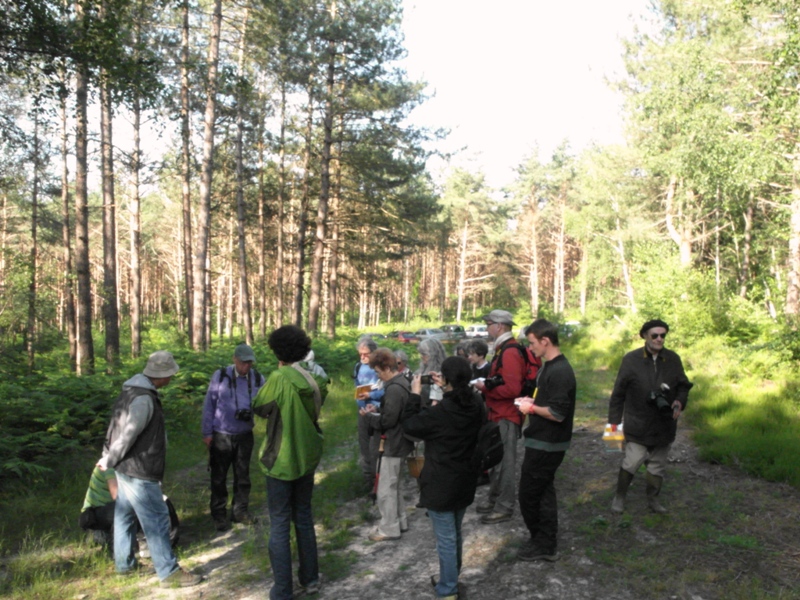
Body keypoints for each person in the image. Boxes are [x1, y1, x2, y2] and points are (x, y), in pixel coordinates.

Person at [98, 351, 202, 588]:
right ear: (161, 375)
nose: (172, 378)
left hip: (127, 467)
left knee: (124, 515)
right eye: (170, 374)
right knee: (156, 519)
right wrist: (109, 458)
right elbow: (126, 434)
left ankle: (124, 565)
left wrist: (109, 456)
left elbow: (114, 426)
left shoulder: (130, 391)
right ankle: (169, 572)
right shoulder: (143, 398)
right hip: (139, 469)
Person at [252, 325, 328, 600]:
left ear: (278, 352)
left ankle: (283, 590)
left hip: (280, 461)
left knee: (280, 524)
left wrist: (280, 371)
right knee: (304, 519)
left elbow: (260, 406)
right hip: (306, 458)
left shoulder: (279, 377)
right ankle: (310, 580)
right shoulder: (315, 377)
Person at [402, 356, 483, 600]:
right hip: (466, 477)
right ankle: (451, 579)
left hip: (441, 481)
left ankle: (448, 589)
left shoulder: (443, 412)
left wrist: (415, 396)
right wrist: (446, 388)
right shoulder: (476, 402)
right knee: (455, 532)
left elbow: (411, 426)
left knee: (446, 538)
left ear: (446, 379)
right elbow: (459, 401)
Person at [608, 319, 693, 514]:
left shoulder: (673, 359)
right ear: (645, 336)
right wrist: (613, 426)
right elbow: (618, 394)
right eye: (655, 335)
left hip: (664, 425)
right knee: (631, 462)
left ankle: (653, 500)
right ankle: (619, 497)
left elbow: (683, 386)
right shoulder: (631, 359)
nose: (659, 339)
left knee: (657, 467)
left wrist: (679, 401)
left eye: (663, 335)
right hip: (637, 424)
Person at [515, 319, 576, 562]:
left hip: (548, 443)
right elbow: (547, 401)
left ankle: (542, 542)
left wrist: (530, 408)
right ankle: (545, 541)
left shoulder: (560, 371)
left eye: (532, 344)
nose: (530, 349)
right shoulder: (549, 367)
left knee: (529, 494)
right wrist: (530, 400)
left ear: (545, 341)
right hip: (541, 440)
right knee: (543, 492)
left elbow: (558, 413)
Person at [473, 309, 528, 524]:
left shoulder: (510, 352)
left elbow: (513, 389)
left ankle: (504, 506)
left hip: (507, 416)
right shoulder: (502, 349)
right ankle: (495, 499)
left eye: (488, 324)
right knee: (495, 461)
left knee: (505, 463)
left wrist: (485, 388)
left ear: (499, 326)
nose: (487, 328)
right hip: (498, 415)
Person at [201, 343, 264, 531]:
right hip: (221, 434)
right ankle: (219, 514)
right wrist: (207, 433)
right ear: (235, 359)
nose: (246, 367)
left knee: (243, 475)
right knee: (219, 476)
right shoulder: (221, 376)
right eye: (243, 362)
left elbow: (267, 401)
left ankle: (240, 512)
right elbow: (209, 405)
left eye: (249, 363)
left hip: (245, 434)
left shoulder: (258, 378)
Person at [360, 348, 414, 541]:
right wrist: (379, 408)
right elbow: (392, 412)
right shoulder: (402, 383)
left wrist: (370, 417)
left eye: (377, 370)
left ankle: (389, 528)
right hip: (401, 441)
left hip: (393, 442)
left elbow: (388, 421)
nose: (376, 374)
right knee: (395, 486)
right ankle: (400, 521)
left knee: (385, 489)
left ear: (385, 367)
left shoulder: (394, 389)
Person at [354, 337, 385, 491]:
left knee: (375, 449)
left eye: (366, 354)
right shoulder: (358, 366)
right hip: (362, 412)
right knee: (364, 448)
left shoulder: (381, 368)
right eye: (360, 354)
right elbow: (357, 385)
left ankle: (378, 482)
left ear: (374, 353)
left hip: (376, 412)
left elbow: (386, 391)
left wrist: (371, 396)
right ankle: (368, 481)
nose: (363, 357)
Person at [79, 466, 118, 552]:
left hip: (103, 511)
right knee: (128, 509)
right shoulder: (109, 467)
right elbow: (117, 496)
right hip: (92, 516)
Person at [416, 338, 447, 406]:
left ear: (433, 355)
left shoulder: (442, 373)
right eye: (421, 353)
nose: (421, 356)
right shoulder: (421, 370)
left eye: (424, 354)